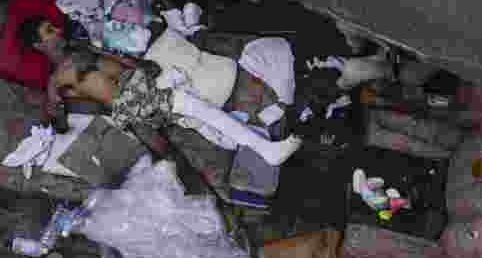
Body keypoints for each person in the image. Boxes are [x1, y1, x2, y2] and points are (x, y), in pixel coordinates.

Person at [18, 17, 303, 166]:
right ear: (39, 46)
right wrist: (55, 115)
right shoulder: (57, 81)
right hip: (128, 101)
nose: (56, 30)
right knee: (191, 105)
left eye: (53, 26)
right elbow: (59, 120)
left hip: (141, 81)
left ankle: (250, 139)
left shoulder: (80, 48)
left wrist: (143, 64)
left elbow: (115, 59)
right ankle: (266, 150)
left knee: (195, 101)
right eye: (48, 31)